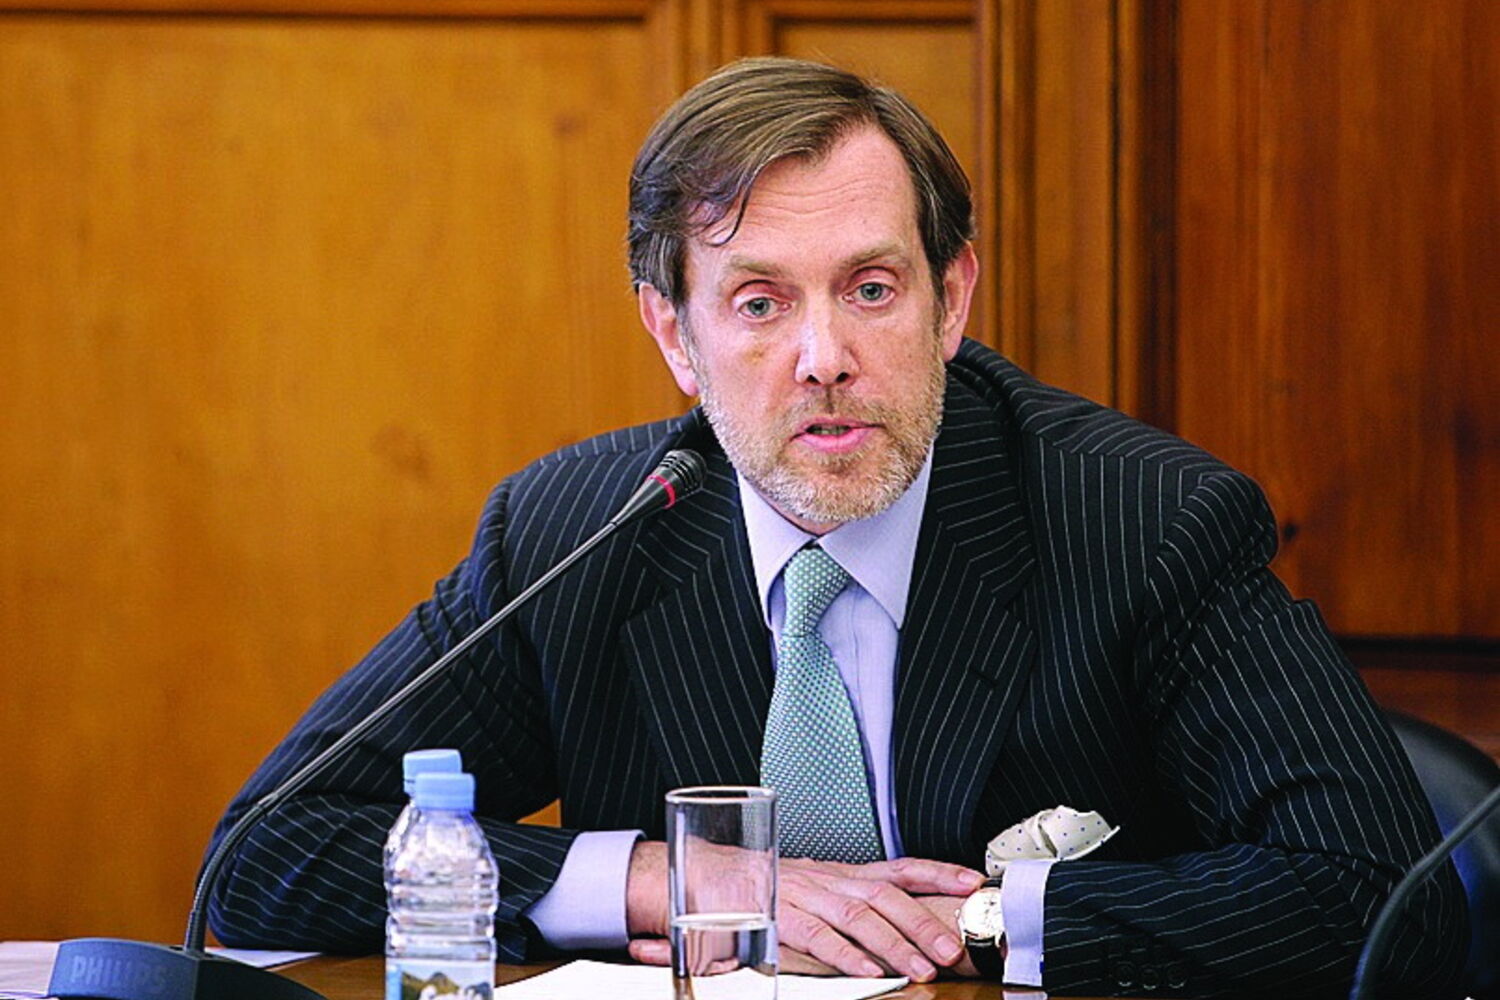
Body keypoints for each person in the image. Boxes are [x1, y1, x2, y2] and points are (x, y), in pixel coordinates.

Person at [205, 57, 1467, 996]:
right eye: (759, 303)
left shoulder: (1143, 522)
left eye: (870, 288)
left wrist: (975, 923)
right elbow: (263, 853)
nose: (824, 358)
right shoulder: (575, 531)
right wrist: (671, 877)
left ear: (951, 298)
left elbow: (1375, 890)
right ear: (673, 334)